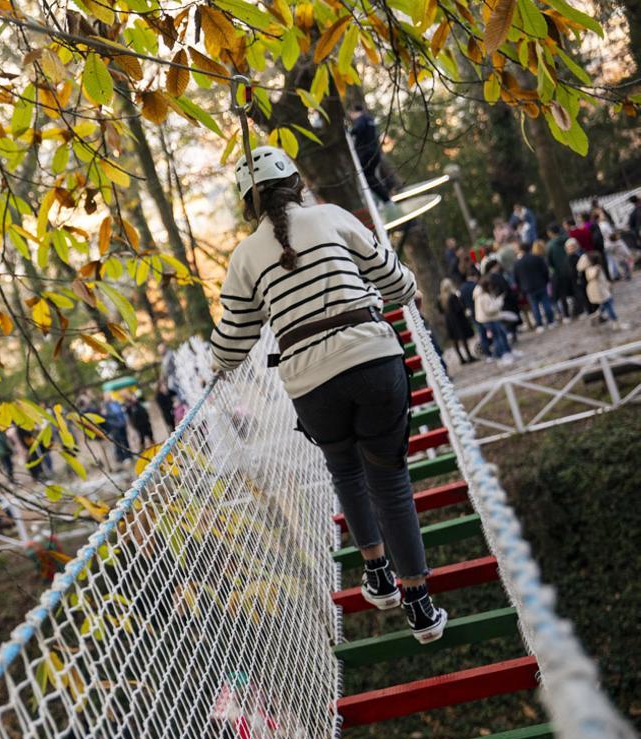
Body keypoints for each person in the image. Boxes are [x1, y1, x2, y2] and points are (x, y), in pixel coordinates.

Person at [209, 145, 446, 643]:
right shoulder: (333, 218)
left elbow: (233, 341)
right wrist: (405, 289)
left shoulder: (245, 256)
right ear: (296, 183)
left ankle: (377, 574)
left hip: (311, 383)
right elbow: (394, 280)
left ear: (249, 204)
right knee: (390, 479)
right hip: (373, 361)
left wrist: (217, 366)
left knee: (345, 468)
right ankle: (420, 607)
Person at [348, 103, 392, 203]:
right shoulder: (370, 119)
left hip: (366, 154)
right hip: (375, 152)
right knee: (372, 176)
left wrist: (350, 131)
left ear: (353, 112)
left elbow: (358, 129)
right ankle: (385, 197)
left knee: (367, 178)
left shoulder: (360, 120)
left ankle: (384, 199)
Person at [514, 240, 556, 329]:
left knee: (534, 307)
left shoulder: (517, 263)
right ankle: (551, 321)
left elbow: (516, 278)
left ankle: (539, 325)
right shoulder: (537, 258)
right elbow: (545, 271)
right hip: (540, 284)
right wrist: (546, 281)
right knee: (546, 303)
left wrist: (521, 289)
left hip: (528, 288)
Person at [473, 276, 516, 364]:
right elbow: (488, 310)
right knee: (498, 336)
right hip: (489, 319)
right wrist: (498, 304)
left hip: (489, 319)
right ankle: (501, 354)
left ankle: (506, 351)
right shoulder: (483, 296)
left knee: (501, 335)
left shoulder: (483, 294)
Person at [579, 252, 625, 329]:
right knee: (608, 305)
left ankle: (596, 315)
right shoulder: (591, 269)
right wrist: (597, 271)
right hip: (599, 291)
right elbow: (592, 276)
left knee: (607, 303)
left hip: (602, 290)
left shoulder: (595, 267)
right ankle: (615, 322)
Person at [437, 279, 476, 364]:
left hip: (449, 321)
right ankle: (469, 356)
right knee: (463, 338)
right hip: (458, 320)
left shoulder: (440, 298)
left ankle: (461, 358)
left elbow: (441, 311)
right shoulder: (453, 296)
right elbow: (458, 308)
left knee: (455, 340)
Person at [545, 223, 575, 321]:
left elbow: (549, 262)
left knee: (563, 295)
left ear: (550, 233)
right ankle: (581, 310)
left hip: (559, 272)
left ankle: (566, 315)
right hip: (572, 268)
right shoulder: (568, 239)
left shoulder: (550, 245)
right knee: (575, 290)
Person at [566, 238, 595, 317]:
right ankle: (591, 312)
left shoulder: (582, 253)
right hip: (579, 279)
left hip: (587, 276)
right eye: (570, 247)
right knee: (585, 296)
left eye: (573, 246)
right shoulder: (570, 258)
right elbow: (573, 271)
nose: (572, 248)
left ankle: (595, 310)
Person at [102, 392, 131, 465]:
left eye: (109, 395)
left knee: (125, 439)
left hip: (122, 424)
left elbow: (121, 411)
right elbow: (107, 417)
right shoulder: (105, 406)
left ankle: (129, 455)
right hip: (114, 426)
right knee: (118, 442)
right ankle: (122, 458)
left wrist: (124, 420)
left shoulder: (116, 402)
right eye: (107, 396)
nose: (109, 397)